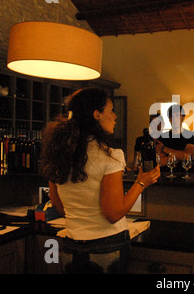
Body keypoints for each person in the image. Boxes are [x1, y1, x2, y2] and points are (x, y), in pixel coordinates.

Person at [40, 87, 160, 273]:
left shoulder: (60, 154)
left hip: (71, 244)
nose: (115, 116)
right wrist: (141, 182)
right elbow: (113, 213)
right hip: (106, 247)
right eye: (111, 110)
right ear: (97, 115)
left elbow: (57, 204)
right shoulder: (111, 156)